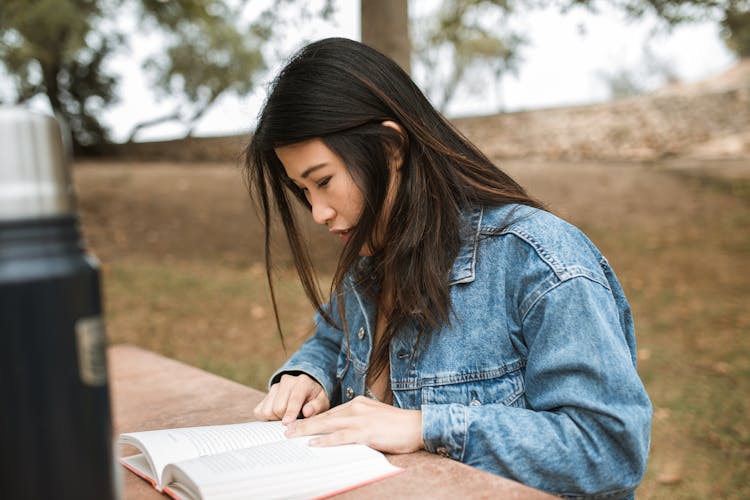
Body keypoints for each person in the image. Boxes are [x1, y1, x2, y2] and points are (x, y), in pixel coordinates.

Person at [244, 37, 652, 499]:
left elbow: (610, 449)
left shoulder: (537, 260)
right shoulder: (371, 257)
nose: (317, 213)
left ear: (392, 148)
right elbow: (334, 334)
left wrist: (425, 427)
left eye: (323, 181)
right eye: (303, 191)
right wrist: (308, 376)